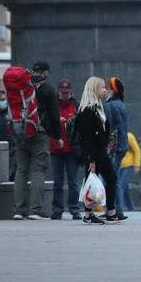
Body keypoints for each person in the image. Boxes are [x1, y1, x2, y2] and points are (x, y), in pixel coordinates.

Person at [7, 63, 62, 221]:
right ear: (44, 73)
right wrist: (57, 137)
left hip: (20, 132)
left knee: (21, 170)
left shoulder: (21, 86)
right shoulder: (48, 90)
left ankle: (18, 210)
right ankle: (35, 210)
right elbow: (54, 115)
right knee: (38, 170)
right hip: (39, 132)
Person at [75, 77, 118, 224]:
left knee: (106, 178)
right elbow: (87, 138)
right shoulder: (86, 110)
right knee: (91, 181)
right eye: (102, 87)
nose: (105, 90)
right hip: (93, 152)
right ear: (94, 89)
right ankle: (89, 214)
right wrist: (91, 159)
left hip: (100, 150)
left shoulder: (98, 108)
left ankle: (109, 212)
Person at [49, 79, 81, 220]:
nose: (65, 95)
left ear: (71, 92)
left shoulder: (76, 105)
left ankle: (74, 209)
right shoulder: (52, 105)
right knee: (57, 182)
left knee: (73, 182)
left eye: (67, 93)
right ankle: (57, 210)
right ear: (58, 91)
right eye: (62, 93)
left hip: (72, 150)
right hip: (56, 149)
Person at [104, 77, 130, 220]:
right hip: (121, 145)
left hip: (114, 147)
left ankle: (115, 210)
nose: (104, 91)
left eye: (106, 88)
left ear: (112, 90)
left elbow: (109, 128)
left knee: (112, 179)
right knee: (115, 179)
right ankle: (115, 209)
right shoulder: (120, 104)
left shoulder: (110, 106)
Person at [118, 130, 141, 214]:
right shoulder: (114, 136)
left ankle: (118, 208)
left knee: (120, 186)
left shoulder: (129, 136)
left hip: (129, 165)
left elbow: (137, 150)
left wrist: (137, 165)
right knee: (124, 187)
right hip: (119, 166)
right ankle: (131, 207)